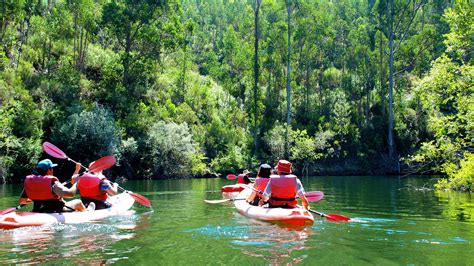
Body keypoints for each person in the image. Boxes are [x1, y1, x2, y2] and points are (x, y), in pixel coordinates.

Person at [20, 159, 86, 213]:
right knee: (78, 202)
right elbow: (70, 194)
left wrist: (38, 197)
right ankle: (88, 213)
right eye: (52, 169)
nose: (53, 171)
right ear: (49, 170)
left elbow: (22, 201)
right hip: (56, 211)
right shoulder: (52, 182)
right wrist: (76, 183)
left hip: (39, 211)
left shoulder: (30, 182)